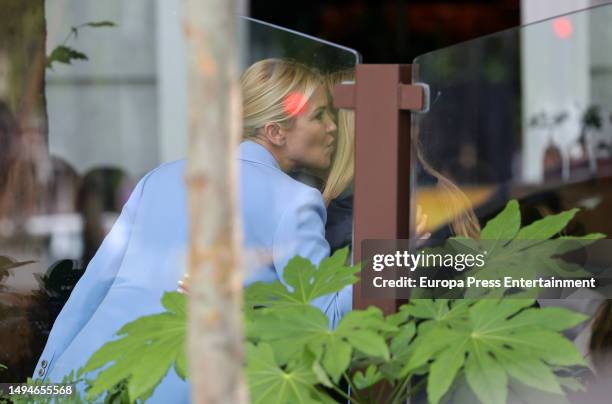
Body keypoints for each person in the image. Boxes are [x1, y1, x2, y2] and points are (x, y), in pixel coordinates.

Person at [32, 58, 351, 402]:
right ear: (275, 132)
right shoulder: (295, 201)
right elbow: (325, 319)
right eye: (320, 115)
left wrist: (39, 384)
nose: (333, 127)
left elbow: (90, 289)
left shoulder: (160, 177)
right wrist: (391, 257)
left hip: (83, 378)